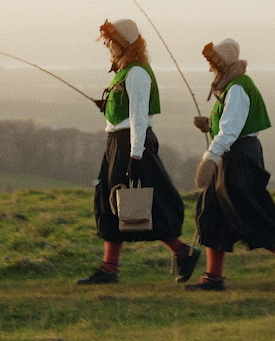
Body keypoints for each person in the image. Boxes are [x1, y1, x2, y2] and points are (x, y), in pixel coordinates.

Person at [76, 18, 200, 285]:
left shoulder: (137, 74)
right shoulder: (124, 71)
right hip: (118, 143)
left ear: (123, 43)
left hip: (132, 145)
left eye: (110, 41)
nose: (107, 44)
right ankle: (110, 268)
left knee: (145, 203)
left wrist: (135, 156)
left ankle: (182, 252)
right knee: (112, 203)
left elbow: (139, 118)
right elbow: (125, 112)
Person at [185, 38, 275, 291]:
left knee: (248, 214)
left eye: (213, 63)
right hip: (231, 154)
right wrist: (211, 126)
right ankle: (214, 277)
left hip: (240, 157)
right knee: (211, 211)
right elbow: (230, 123)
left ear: (222, 63)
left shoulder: (238, 87)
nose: (210, 68)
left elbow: (232, 129)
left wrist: (210, 157)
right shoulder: (231, 85)